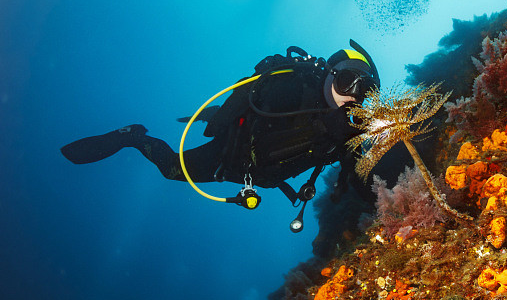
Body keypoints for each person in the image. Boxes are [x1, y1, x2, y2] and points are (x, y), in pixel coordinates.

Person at [61, 40, 380, 231]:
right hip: (229, 156)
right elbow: (255, 116)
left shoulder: (348, 130)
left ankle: (203, 117)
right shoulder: (293, 86)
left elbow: (362, 178)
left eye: (363, 91)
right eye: (347, 82)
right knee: (172, 169)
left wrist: (387, 201)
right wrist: (322, 127)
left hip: (261, 176)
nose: (352, 96)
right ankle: (132, 136)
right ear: (330, 75)